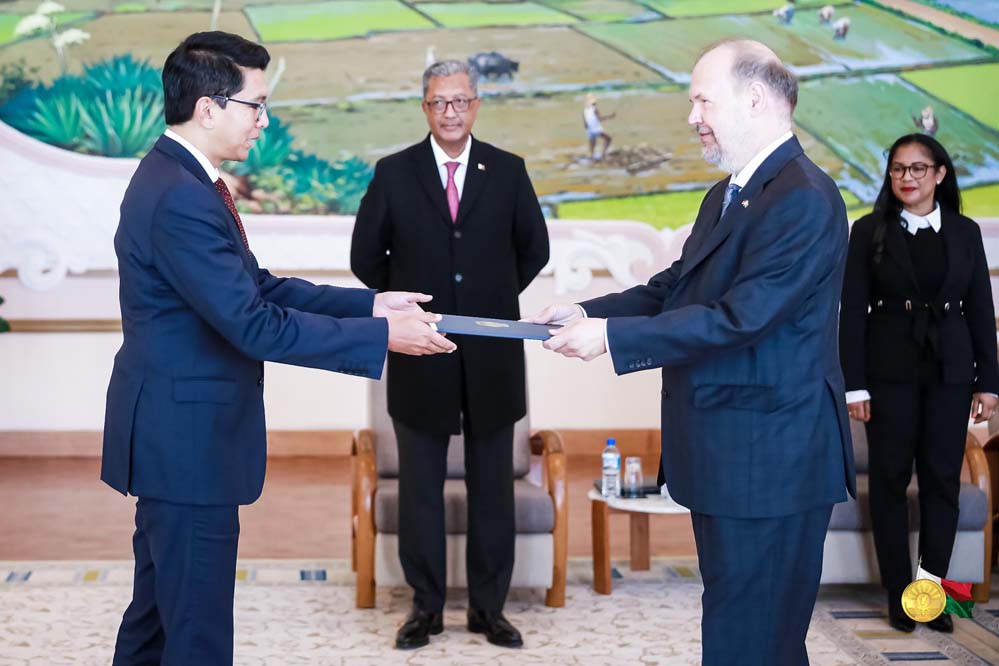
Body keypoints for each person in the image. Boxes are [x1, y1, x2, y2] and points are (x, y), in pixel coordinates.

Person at [102, 31, 454, 666]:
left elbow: (256, 287)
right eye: (255, 105)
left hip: (177, 434)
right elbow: (254, 323)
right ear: (208, 107)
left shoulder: (184, 178)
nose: (264, 122)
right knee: (195, 630)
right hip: (186, 442)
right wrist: (382, 337)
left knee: (158, 617)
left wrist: (370, 303)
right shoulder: (181, 195)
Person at [526, 39, 855, 665]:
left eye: (703, 99)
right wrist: (589, 313)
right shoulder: (729, 194)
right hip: (733, 456)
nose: (692, 116)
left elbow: (740, 319)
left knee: (753, 640)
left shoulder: (805, 199)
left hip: (771, 464)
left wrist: (612, 342)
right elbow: (672, 289)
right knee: (745, 632)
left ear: (755, 100)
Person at [350, 59, 550, 650]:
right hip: (420, 351)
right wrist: (410, 304)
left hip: (493, 354)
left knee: (494, 488)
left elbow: (532, 250)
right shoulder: (394, 173)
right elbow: (367, 259)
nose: (450, 112)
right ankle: (425, 607)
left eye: (460, 101)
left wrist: (489, 295)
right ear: (425, 108)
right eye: (439, 102)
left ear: (476, 104)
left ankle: (490, 610)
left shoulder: (508, 172)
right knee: (420, 489)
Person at [839, 133, 998, 634]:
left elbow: (980, 311)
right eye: (898, 169)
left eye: (918, 169)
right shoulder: (869, 232)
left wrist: (988, 382)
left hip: (950, 374)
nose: (907, 178)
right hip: (888, 377)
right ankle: (897, 592)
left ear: (940, 175)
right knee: (888, 482)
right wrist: (855, 385)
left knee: (941, 483)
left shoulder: (965, 232)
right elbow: (851, 315)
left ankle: (933, 596)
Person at [583, 93, 615, 160]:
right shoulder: (594, 109)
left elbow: (585, 124)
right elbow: (600, 118)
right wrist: (610, 116)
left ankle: (591, 156)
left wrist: (588, 130)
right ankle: (603, 154)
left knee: (592, 144)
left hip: (589, 130)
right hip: (596, 128)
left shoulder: (585, 110)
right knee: (608, 139)